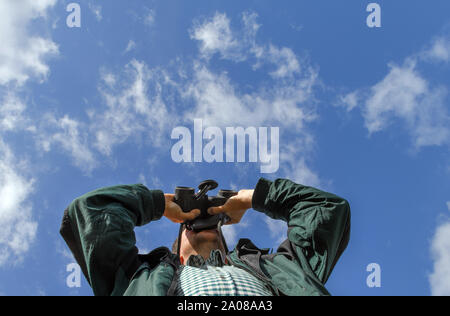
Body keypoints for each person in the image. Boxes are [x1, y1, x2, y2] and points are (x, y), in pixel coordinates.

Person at [60, 177, 350, 296]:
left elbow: (325, 210)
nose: (202, 221)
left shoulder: (282, 269)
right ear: (178, 245)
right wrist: (157, 204)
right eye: (192, 221)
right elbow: (90, 211)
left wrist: (253, 198)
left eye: (211, 220)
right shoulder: (135, 279)